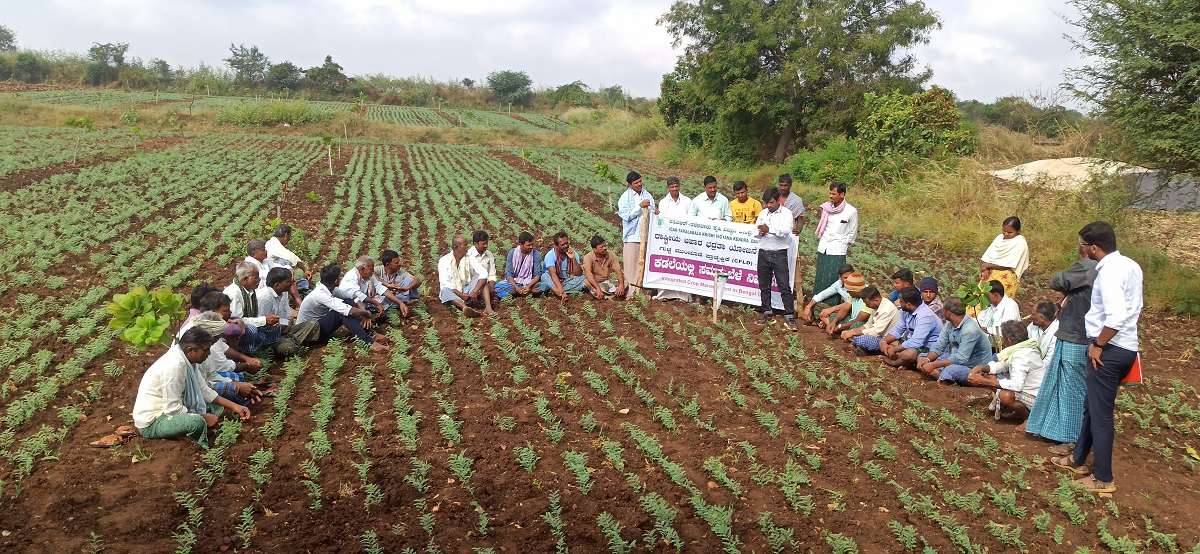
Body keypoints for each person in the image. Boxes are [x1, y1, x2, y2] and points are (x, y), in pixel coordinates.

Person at [1051, 221, 1143, 494]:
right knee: (1091, 408)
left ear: (1093, 247)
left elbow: (1115, 316)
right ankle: (1078, 460)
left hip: (1110, 349)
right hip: (1125, 346)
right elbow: (1135, 307)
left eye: (1083, 245)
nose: (1082, 250)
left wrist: (1098, 345)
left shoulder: (1109, 273)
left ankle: (1103, 478)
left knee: (1101, 415)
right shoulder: (1130, 265)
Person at [1026, 244, 1098, 451]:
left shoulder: (1087, 266)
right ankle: (1060, 433)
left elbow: (1057, 280)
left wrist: (1068, 284)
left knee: (1071, 389)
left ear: (1088, 247)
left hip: (1076, 336)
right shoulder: (1101, 268)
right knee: (1063, 386)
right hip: (1077, 334)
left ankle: (1071, 440)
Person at [132, 327, 251, 449]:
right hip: (154, 421)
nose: (208, 354)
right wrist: (203, 417)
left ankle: (194, 430)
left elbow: (204, 390)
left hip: (169, 409)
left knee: (216, 406)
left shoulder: (189, 361)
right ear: (190, 350)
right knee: (196, 422)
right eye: (206, 350)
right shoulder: (175, 367)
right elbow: (172, 409)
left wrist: (235, 406)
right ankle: (199, 447)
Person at [180, 310, 264, 407]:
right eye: (216, 339)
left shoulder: (201, 345)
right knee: (232, 388)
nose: (214, 344)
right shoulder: (196, 350)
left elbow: (209, 375)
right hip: (195, 394)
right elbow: (204, 386)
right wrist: (236, 387)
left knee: (236, 382)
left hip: (205, 383)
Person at [298, 264, 390, 352]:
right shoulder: (320, 294)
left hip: (316, 327)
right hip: (308, 334)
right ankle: (368, 342)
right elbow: (349, 311)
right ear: (335, 281)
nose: (341, 278)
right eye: (339, 277)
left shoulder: (330, 288)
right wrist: (366, 313)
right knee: (340, 313)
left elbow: (353, 297)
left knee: (349, 302)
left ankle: (369, 333)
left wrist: (364, 310)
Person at [965, 320, 1045, 420]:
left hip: (1035, 397)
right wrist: (983, 368)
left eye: (1003, 338)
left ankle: (1027, 419)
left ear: (1009, 340)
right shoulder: (1026, 348)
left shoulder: (1021, 357)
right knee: (991, 377)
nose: (1002, 340)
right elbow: (1004, 365)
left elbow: (1017, 385)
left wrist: (986, 382)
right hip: (1035, 392)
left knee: (1005, 395)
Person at [915, 298, 995, 383]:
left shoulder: (970, 330)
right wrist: (927, 359)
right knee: (922, 356)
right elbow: (939, 345)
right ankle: (944, 377)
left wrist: (934, 364)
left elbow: (961, 358)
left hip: (973, 366)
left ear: (948, 313)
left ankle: (948, 379)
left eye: (943, 310)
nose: (942, 312)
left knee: (950, 370)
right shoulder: (950, 324)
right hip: (955, 358)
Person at [754, 187, 797, 329]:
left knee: (784, 286)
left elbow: (785, 232)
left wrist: (769, 230)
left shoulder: (786, 214)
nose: (768, 206)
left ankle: (790, 316)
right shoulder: (763, 213)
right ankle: (766, 312)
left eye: (771, 202)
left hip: (779, 254)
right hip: (763, 252)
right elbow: (755, 231)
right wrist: (760, 232)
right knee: (764, 286)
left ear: (778, 200)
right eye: (766, 203)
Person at [256, 267, 320, 357]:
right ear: (277, 285)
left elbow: (285, 315)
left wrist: (287, 324)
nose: (292, 283)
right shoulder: (264, 298)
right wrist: (282, 326)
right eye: (288, 282)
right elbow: (261, 325)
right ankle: (292, 343)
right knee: (289, 348)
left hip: (285, 330)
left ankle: (294, 341)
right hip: (271, 337)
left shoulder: (284, 292)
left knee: (313, 324)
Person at [652, 177, 695, 301]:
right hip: (669, 239)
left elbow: (691, 220)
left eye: (676, 186)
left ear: (679, 186)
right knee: (668, 265)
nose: (675, 189)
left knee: (684, 265)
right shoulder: (663, 202)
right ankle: (665, 294)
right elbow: (661, 220)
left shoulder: (687, 201)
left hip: (684, 240)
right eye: (672, 187)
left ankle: (684, 296)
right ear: (668, 188)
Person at [879, 287, 942, 369]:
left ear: (908, 304)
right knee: (884, 343)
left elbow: (916, 342)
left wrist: (894, 350)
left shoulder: (925, 316)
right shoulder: (905, 311)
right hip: (912, 344)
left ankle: (894, 362)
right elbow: (898, 330)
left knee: (909, 354)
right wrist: (884, 342)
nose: (898, 303)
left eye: (901, 301)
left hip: (928, 348)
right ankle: (905, 362)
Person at [223, 261, 278, 354]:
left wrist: (265, 321)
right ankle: (248, 354)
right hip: (233, 329)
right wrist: (264, 320)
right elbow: (237, 321)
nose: (259, 280)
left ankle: (264, 349)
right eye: (256, 277)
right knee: (252, 330)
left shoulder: (250, 290)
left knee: (274, 327)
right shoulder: (234, 293)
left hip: (245, 325)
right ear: (245, 279)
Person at [812, 182, 858, 294]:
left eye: (834, 194)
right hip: (824, 247)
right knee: (821, 276)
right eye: (830, 193)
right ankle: (817, 301)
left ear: (842, 194)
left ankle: (832, 305)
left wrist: (843, 243)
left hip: (838, 249)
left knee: (834, 277)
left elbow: (853, 232)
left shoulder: (851, 211)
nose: (830, 196)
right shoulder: (826, 208)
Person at [616, 171, 654, 297]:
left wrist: (655, 211)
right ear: (630, 184)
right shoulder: (624, 198)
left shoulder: (647, 194)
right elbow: (626, 216)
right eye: (636, 183)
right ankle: (632, 294)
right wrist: (639, 206)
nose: (639, 184)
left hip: (646, 236)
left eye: (640, 181)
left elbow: (652, 210)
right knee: (631, 266)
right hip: (632, 236)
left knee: (645, 266)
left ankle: (644, 293)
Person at [979, 216, 1030, 298]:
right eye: (1004, 231)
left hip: (1006, 274)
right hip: (990, 272)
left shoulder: (1020, 243)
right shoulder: (999, 238)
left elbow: (1009, 265)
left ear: (1018, 231)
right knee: (980, 297)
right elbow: (989, 256)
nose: (1006, 234)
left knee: (997, 300)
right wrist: (985, 269)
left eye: (1010, 232)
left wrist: (987, 265)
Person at [438, 236, 488, 316]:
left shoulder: (470, 257)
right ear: (456, 247)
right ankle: (465, 308)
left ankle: (485, 306)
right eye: (465, 245)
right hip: (454, 293)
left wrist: (475, 290)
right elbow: (445, 282)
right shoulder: (444, 261)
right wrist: (460, 294)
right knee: (444, 290)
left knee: (481, 278)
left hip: (468, 291)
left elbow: (483, 273)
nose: (467, 247)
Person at [845, 286, 901, 355]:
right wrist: (853, 331)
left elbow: (876, 332)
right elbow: (868, 325)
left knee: (864, 339)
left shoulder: (886, 309)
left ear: (876, 300)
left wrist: (853, 333)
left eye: (867, 304)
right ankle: (860, 346)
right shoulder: (877, 306)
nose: (867, 306)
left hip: (887, 340)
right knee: (855, 327)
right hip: (877, 335)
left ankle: (866, 348)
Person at [335, 256, 392, 323]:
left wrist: (399, 302)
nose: (373, 271)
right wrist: (376, 304)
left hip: (362, 302)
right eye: (371, 269)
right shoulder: (351, 278)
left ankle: (371, 316)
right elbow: (358, 296)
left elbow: (379, 287)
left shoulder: (367, 274)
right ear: (362, 269)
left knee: (387, 300)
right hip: (350, 306)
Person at [265, 224, 309, 302]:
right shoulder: (274, 245)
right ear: (286, 235)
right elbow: (292, 258)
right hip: (272, 277)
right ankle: (297, 300)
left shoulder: (272, 242)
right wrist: (305, 269)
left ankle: (294, 298)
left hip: (272, 275)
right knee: (286, 267)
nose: (289, 240)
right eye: (289, 237)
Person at [375, 249, 422, 317]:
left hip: (396, 297)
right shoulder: (378, 270)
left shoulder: (400, 272)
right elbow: (371, 276)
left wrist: (406, 288)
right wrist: (387, 284)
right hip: (383, 298)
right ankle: (402, 305)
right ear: (388, 264)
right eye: (396, 263)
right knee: (380, 300)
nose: (400, 264)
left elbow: (417, 280)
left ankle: (403, 304)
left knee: (409, 280)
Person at [542, 231, 587, 300]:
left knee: (585, 277)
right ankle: (559, 291)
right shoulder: (550, 255)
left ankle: (555, 291)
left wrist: (573, 258)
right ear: (556, 245)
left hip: (567, 281)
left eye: (567, 243)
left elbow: (578, 273)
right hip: (554, 281)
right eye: (562, 245)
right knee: (544, 276)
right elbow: (553, 274)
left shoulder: (572, 253)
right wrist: (561, 291)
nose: (566, 246)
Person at [496, 232, 542, 299]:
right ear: (521, 244)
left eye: (532, 244)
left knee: (543, 286)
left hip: (529, 282)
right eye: (528, 245)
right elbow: (509, 274)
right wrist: (515, 287)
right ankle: (520, 292)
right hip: (514, 282)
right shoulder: (512, 253)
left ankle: (516, 293)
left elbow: (537, 275)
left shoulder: (536, 254)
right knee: (497, 287)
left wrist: (529, 286)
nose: (531, 247)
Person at [978, 280, 1022, 349]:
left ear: (996, 295)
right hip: (989, 343)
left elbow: (1006, 331)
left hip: (1005, 347)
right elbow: (979, 319)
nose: (985, 297)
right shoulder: (990, 305)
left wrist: (987, 329)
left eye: (987, 295)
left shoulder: (1010, 305)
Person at [466, 231, 500, 315]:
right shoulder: (468, 255)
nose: (486, 246)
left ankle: (486, 304)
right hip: (473, 286)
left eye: (487, 243)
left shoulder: (489, 254)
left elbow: (492, 274)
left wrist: (491, 286)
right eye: (483, 244)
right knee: (482, 278)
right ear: (475, 244)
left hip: (486, 285)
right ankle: (488, 307)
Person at [582, 235, 626, 299]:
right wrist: (598, 288)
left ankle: (606, 294)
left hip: (606, 282)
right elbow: (589, 274)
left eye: (605, 246)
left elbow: (618, 270)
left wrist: (621, 285)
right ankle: (606, 294)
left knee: (625, 283)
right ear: (594, 249)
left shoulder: (610, 255)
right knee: (587, 285)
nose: (605, 248)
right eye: (601, 247)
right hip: (594, 283)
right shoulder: (588, 257)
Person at [1028, 300, 1060, 368]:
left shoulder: (1057, 332)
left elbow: (1049, 361)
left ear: (1042, 318)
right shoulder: (1032, 325)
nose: (1030, 317)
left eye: (1033, 314)